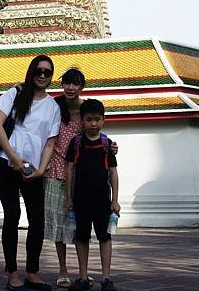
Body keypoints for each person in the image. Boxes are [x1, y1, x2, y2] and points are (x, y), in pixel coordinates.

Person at [0, 54, 61, 291]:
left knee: (37, 220)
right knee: (12, 215)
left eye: (47, 72)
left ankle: (32, 272)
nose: (42, 75)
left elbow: (50, 142)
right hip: (5, 163)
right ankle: (12, 273)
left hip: (32, 169)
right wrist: (13, 158)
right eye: (38, 71)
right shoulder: (15, 94)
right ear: (31, 72)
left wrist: (40, 170)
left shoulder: (53, 106)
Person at [43, 69, 118, 289]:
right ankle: (64, 270)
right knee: (59, 223)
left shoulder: (88, 109)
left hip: (83, 176)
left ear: (81, 87)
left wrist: (111, 146)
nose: (70, 88)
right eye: (66, 83)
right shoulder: (53, 106)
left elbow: (98, 138)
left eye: (75, 84)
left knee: (80, 229)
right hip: (56, 169)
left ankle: (89, 274)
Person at [65, 99, 120, 291]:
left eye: (97, 119)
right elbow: (70, 170)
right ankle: (82, 276)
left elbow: (113, 172)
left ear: (103, 120)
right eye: (89, 119)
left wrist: (115, 200)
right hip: (80, 199)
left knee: (105, 237)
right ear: (82, 121)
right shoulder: (76, 143)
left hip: (102, 199)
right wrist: (69, 198)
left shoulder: (106, 144)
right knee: (82, 237)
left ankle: (106, 277)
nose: (93, 124)